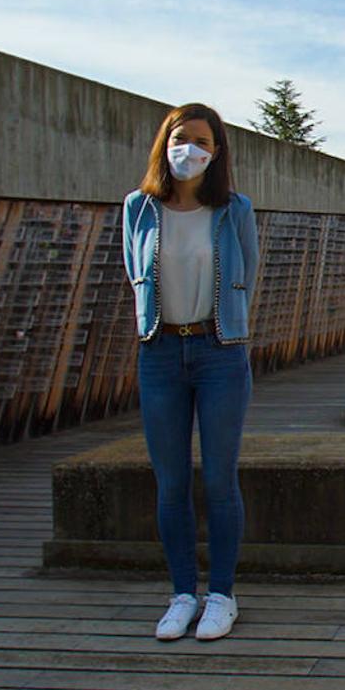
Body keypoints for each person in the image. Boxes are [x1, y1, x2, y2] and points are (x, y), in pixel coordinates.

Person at [122, 103, 259, 641]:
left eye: (202, 141)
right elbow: (135, 272)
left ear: (216, 151)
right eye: (181, 138)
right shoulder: (138, 207)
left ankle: (222, 594)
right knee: (170, 482)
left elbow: (248, 272)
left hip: (219, 350)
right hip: (159, 352)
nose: (190, 150)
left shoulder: (234, 209)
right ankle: (183, 592)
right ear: (165, 142)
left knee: (221, 480)